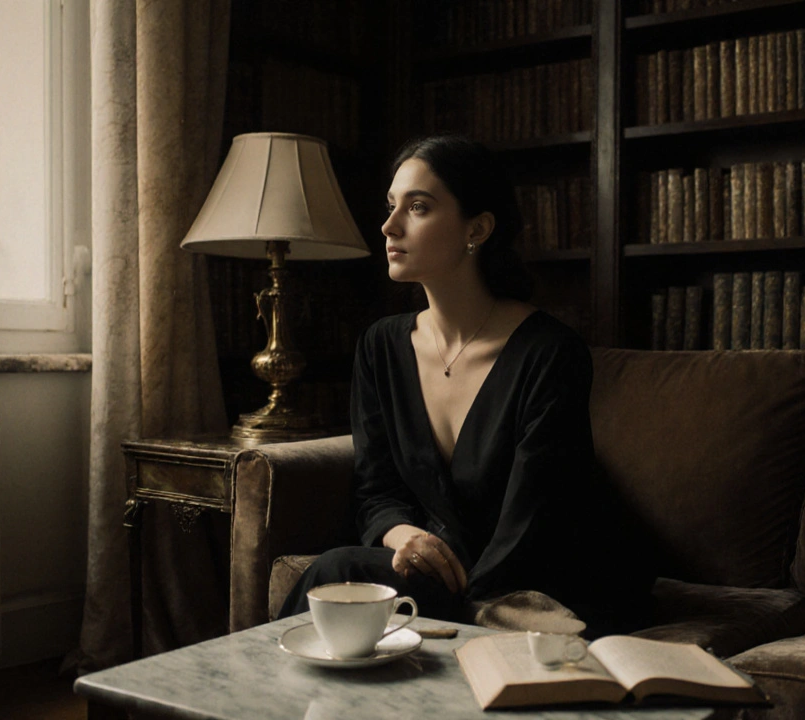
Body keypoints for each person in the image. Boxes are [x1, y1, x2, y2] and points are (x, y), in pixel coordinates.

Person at [278, 134, 651, 636]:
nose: (390, 226)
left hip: (549, 573)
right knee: (344, 575)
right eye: (391, 206)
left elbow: (534, 519)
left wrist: (464, 596)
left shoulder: (549, 352)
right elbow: (376, 488)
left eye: (418, 207)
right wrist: (403, 535)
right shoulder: (382, 346)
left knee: (340, 572)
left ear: (477, 228)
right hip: (449, 572)